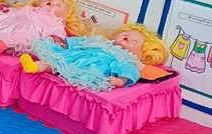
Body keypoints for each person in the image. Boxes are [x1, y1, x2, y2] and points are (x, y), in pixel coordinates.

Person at [21, 23, 168, 91]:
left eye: (134, 41)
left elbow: (130, 73)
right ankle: (36, 66)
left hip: (93, 67)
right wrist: (67, 44)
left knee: (64, 66)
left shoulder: (125, 58)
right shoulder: (102, 42)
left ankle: (38, 67)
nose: (127, 38)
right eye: (125, 34)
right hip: (78, 55)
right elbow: (84, 41)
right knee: (58, 60)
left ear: (141, 54)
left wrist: (120, 81)